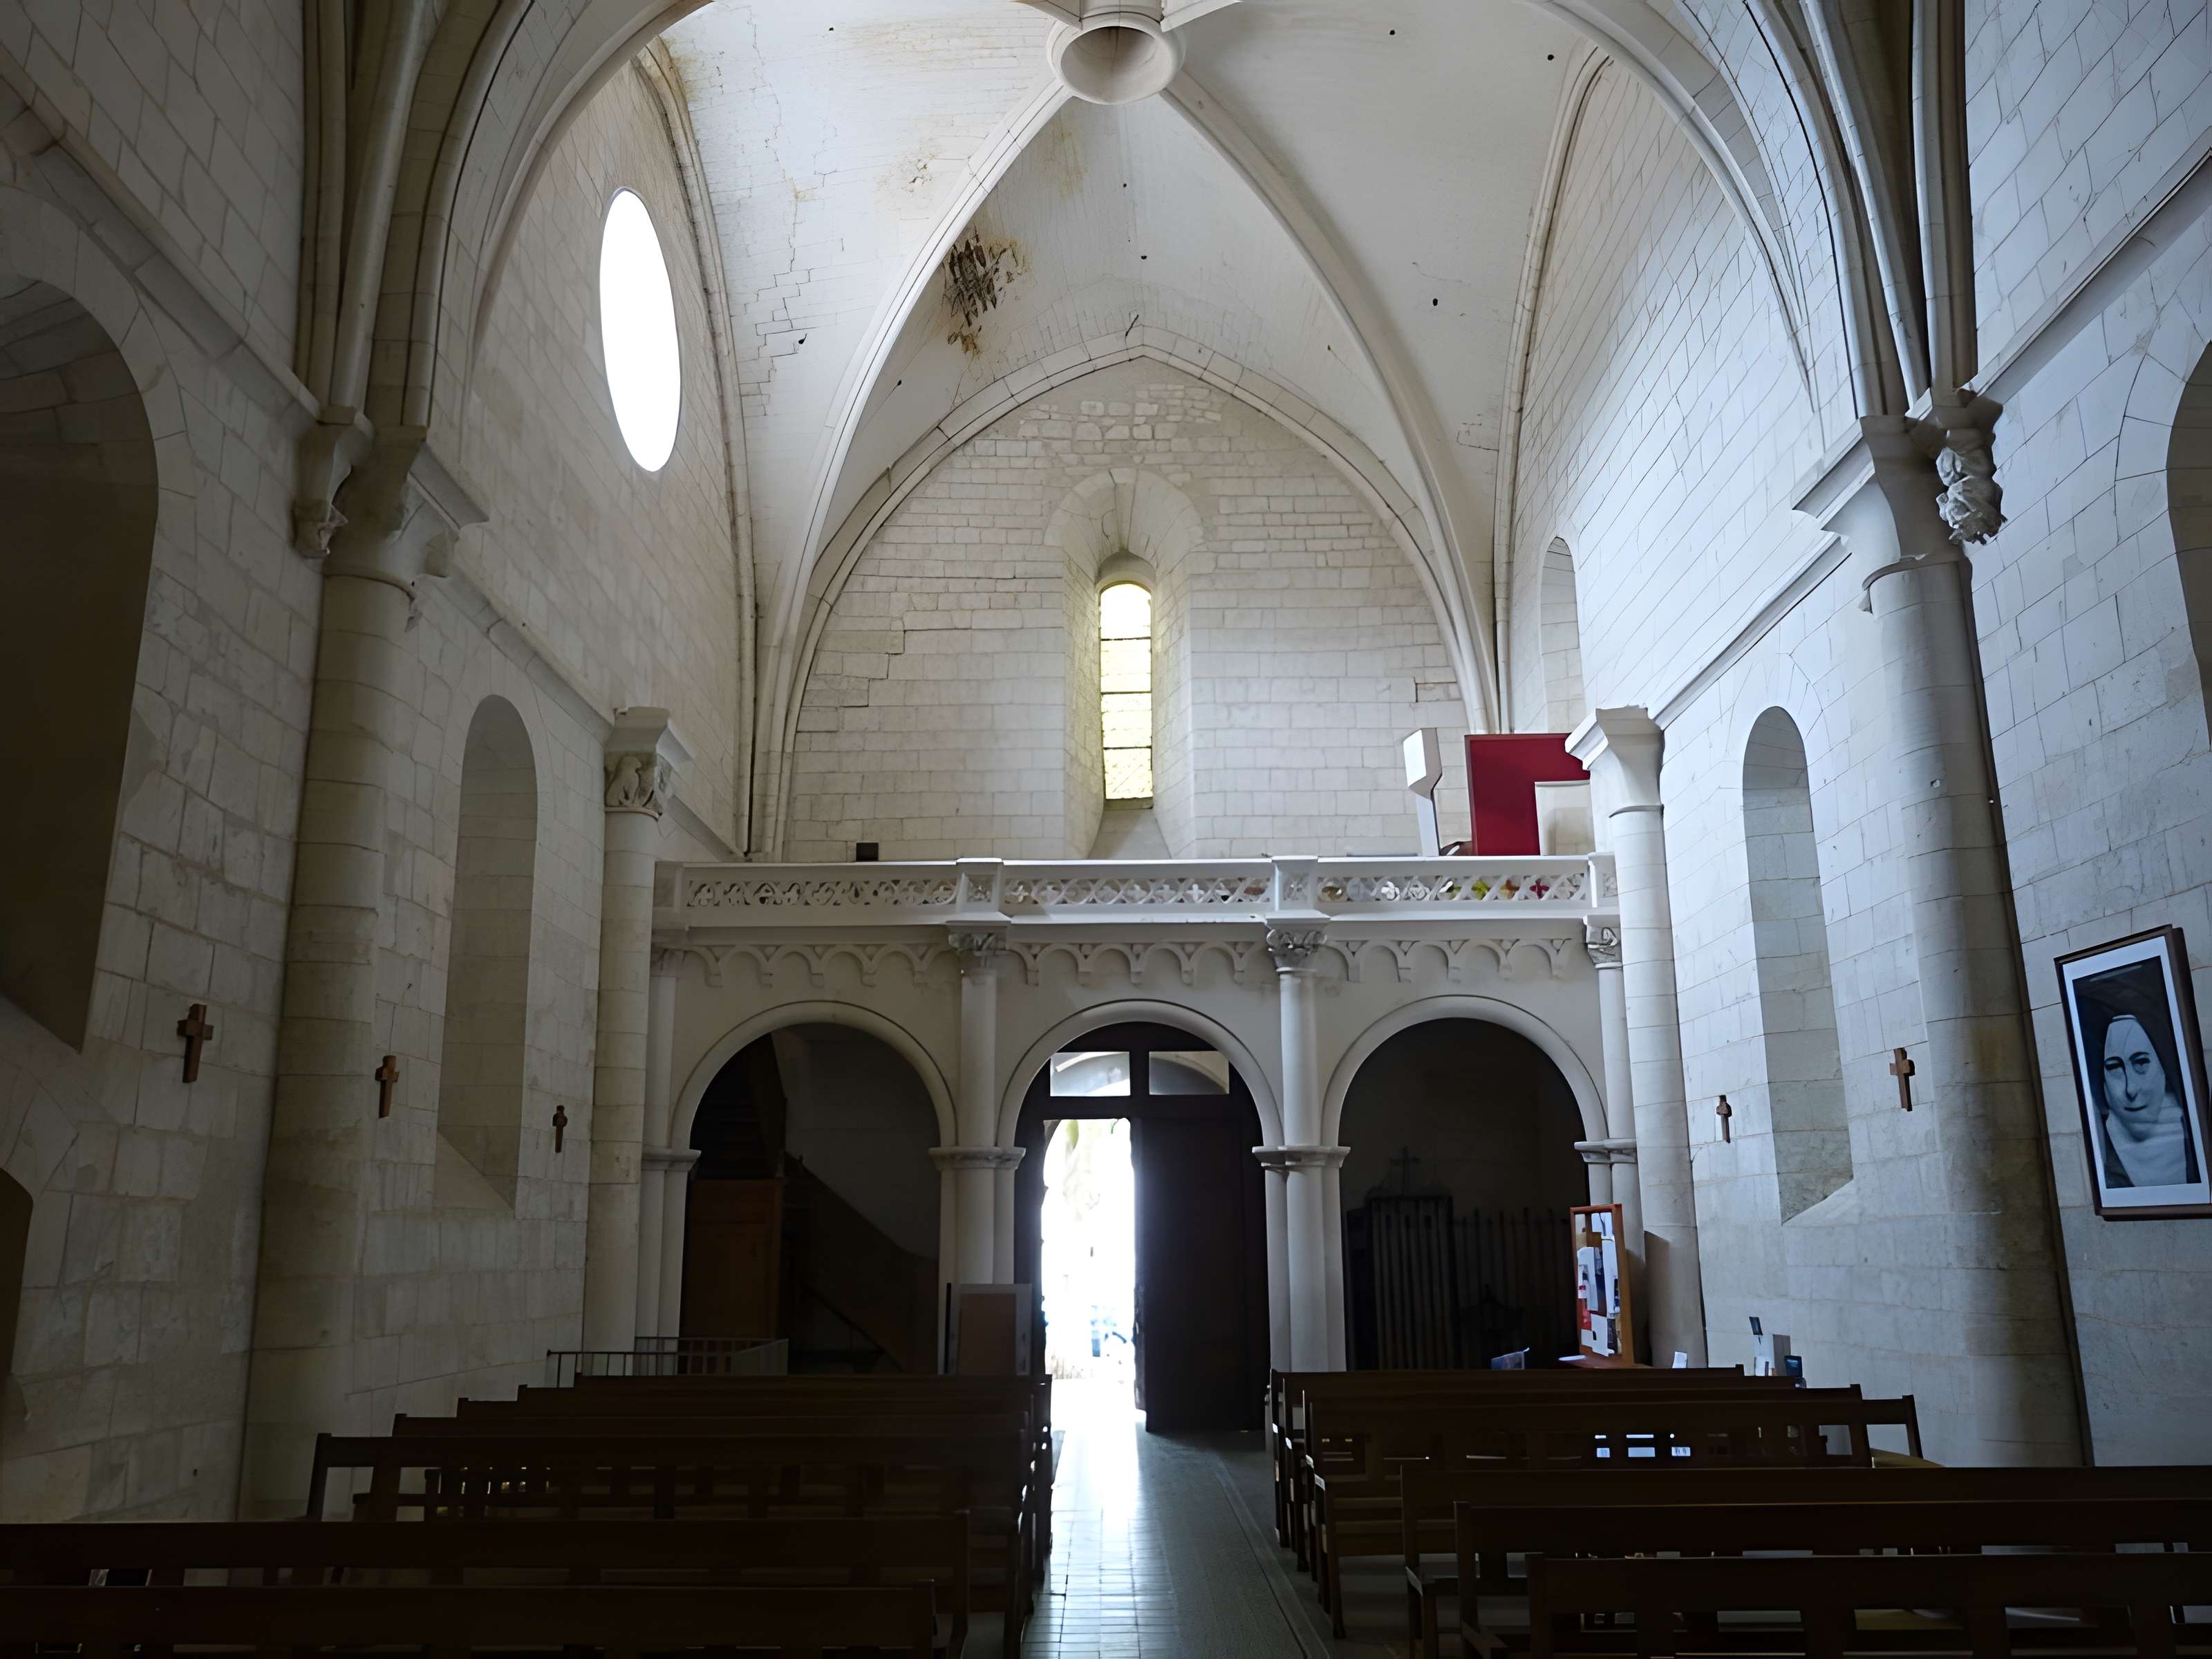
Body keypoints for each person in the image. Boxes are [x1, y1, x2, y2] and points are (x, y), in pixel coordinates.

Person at [2097, 1009, 2202, 1190]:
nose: (2131, 1089)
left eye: (2141, 1063)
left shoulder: (2195, 1133)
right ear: (2104, 1086)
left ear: (2163, 1070)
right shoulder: (2101, 1150)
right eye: (2114, 1067)